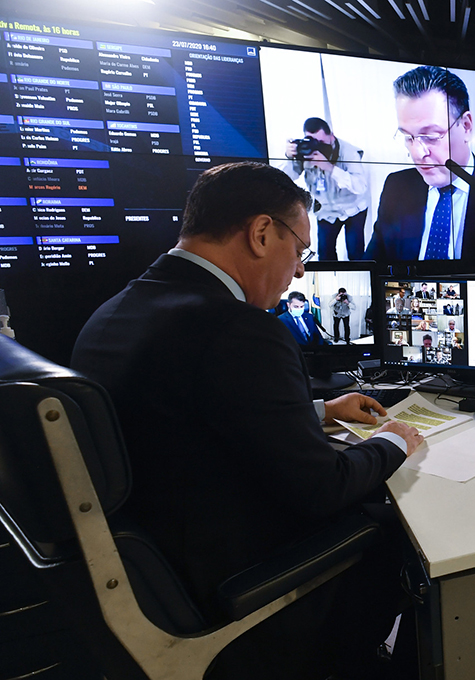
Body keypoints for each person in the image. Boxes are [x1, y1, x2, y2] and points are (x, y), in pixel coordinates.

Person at [70, 162, 426, 680]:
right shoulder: (238, 330)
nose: (300, 271)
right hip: (235, 586)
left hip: (157, 572)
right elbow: (322, 490)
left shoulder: (116, 312)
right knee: (400, 531)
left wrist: (320, 410)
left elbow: (185, 418)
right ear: (261, 233)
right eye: (301, 250)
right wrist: (394, 440)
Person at [364, 65, 475, 264]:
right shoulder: (396, 186)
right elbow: (373, 268)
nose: (417, 153)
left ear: (466, 126)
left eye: (431, 136)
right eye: (408, 137)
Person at [281, 117, 370, 261]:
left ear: (332, 137)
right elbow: (284, 178)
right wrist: (289, 157)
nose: (317, 146)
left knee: (355, 254)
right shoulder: (305, 150)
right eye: (312, 141)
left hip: (353, 208)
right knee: (325, 255)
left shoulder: (349, 152)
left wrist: (329, 167)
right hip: (326, 211)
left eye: (321, 142)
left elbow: (360, 186)